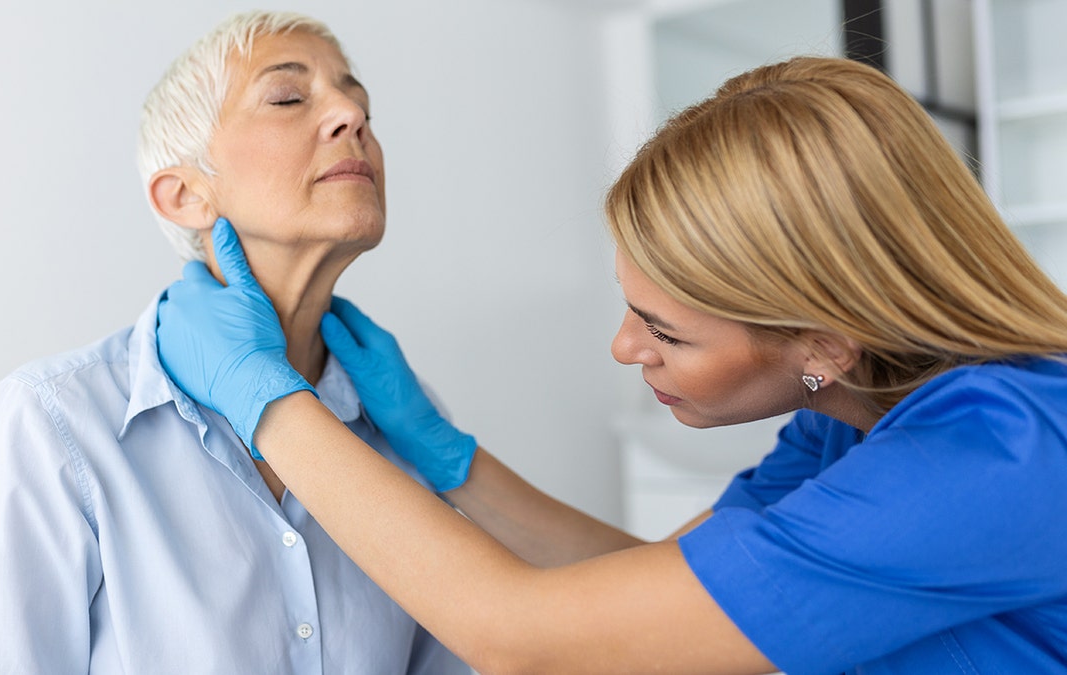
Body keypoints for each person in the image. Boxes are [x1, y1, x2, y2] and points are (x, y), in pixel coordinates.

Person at [155, 56, 1067, 674]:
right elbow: (669, 592)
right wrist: (446, 456)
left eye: (663, 330)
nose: (626, 348)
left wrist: (267, 400)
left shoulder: (1001, 458)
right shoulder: (846, 416)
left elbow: (527, 639)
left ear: (823, 347)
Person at [0, 10, 466, 674]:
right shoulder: (51, 422)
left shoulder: (404, 422)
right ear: (183, 195)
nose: (350, 118)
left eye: (363, 107)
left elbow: (491, 639)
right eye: (288, 97)